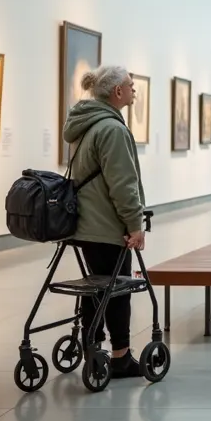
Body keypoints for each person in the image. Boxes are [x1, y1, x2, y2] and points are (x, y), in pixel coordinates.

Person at [63, 64, 146, 379]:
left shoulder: (86, 124)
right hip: (107, 226)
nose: (134, 89)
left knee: (96, 287)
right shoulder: (112, 129)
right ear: (118, 92)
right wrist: (135, 224)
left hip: (86, 223)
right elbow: (123, 184)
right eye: (130, 84)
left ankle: (91, 346)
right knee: (117, 289)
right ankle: (121, 357)